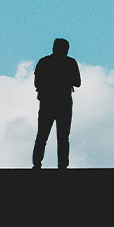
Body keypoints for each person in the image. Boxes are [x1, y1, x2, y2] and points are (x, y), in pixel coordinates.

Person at [32, 38, 81, 169]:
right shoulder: (70, 63)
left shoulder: (44, 62)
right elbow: (77, 82)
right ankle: (62, 165)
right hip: (63, 103)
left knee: (42, 136)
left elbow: (37, 83)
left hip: (47, 103)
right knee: (63, 137)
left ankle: (37, 164)